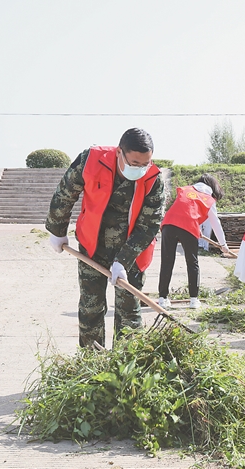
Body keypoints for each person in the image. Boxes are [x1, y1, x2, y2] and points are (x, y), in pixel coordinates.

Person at [45, 128, 165, 348]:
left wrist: (124, 260)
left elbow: (149, 226)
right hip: (93, 247)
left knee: (129, 311)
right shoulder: (91, 160)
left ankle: (128, 364)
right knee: (91, 308)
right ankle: (92, 363)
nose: (140, 169)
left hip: (131, 255)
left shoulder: (154, 179)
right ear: (120, 152)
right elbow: (65, 193)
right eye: (134, 163)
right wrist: (58, 230)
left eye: (145, 163)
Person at [157, 173, 230, 309]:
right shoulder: (208, 199)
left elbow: (183, 210)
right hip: (188, 227)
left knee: (167, 262)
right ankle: (193, 300)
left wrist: (195, 226)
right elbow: (216, 223)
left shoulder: (185, 190)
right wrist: (223, 244)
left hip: (169, 224)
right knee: (192, 263)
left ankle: (162, 298)